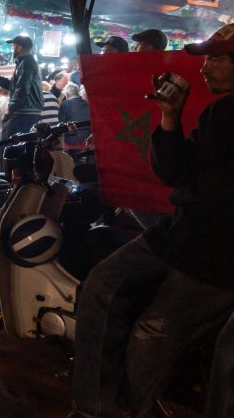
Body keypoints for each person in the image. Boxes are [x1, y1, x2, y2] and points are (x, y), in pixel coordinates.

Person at [71, 24, 234, 417]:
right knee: (101, 284)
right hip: (181, 237)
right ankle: (94, 407)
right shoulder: (218, 111)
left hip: (212, 257)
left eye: (217, 58)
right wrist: (170, 117)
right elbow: (175, 173)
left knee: (151, 335)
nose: (205, 68)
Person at [0, 35, 43, 157]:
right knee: (20, 148)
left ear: (20, 48)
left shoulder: (26, 63)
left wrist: (11, 107)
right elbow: (15, 85)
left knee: (9, 147)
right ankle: (15, 174)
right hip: (28, 110)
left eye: (13, 46)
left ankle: (8, 174)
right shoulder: (25, 62)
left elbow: (22, 87)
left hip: (23, 111)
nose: (13, 49)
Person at [57, 82, 90, 149]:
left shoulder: (65, 104)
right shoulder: (87, 103)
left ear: (67, 94)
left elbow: (60, 123)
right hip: (86, 137)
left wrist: (60, 100)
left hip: (71, 139)